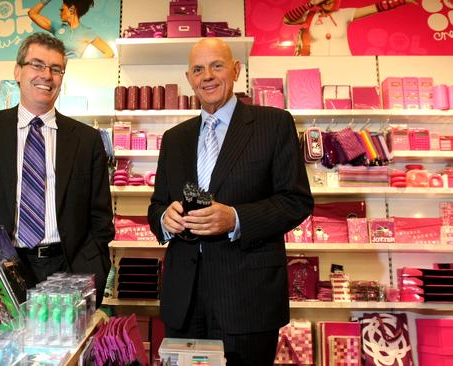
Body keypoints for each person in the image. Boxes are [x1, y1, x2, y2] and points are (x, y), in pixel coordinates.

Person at [148, 38, 314, 365]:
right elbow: (157, 206)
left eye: (217, 65)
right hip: (184, 300)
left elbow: (296, 201)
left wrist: (236, 219)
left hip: (246, 299)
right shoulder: (175, 139)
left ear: (236, 70)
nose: (207, 75)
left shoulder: (274, 124)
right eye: (198, 69)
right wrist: (164, 221)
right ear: (189, 78)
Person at [0, 32, 114, 307]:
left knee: (67, 348)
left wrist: (95, 270)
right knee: (7, 347)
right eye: (37, 64)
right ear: (17, 71)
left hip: (69, 269)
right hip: (3, 266)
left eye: (56, 69)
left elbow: (101, 218)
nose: (47, 75)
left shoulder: (86, 139)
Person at [283, 0, 416, 56]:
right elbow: (287, 19)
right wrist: (310, 3)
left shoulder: (345, 13)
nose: (327, 2)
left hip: (344, 63)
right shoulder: (310, 16)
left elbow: (375, 8)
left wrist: (401, 1)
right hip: (315, 65)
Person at [28, 0, 114, 58]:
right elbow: (32, 13)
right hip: (56, 72)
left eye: (62, 10)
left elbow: (109, 52)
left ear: (72, 9)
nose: (60, 13)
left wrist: (93, 69)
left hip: (73, 75)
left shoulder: (87, 32)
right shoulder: (57, 27)